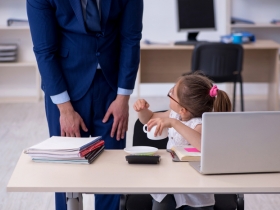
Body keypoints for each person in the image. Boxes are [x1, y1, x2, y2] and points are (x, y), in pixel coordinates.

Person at [26, 0, 143, 209]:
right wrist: (65, 108)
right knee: (66, 173)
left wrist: (123, 97)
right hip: (66, 90)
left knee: (112, 171)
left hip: (112, 89)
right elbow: (44, 51)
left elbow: (130, 39)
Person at [133, 71, 232, 210]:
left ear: (183, 110)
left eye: (172, 93)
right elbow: (148, 119)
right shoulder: (175, 114)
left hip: (194, 187)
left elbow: (202, 145)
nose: (169, 94)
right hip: (169, 180)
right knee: (161, 204)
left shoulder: (199, 124)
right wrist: (142, 110)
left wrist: (174, 123)